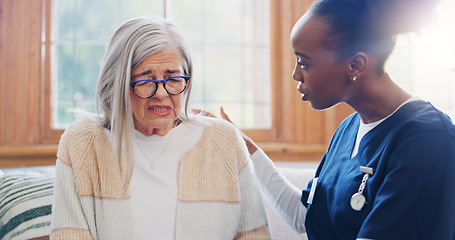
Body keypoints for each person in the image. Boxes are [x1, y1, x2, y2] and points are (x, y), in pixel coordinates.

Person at [207, 0, 455, 239]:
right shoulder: (348, 129)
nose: (295, 74)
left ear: (355, 65)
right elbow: (303, 216)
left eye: (304, 62)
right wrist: (242, 146)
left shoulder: (427, 140)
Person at [50, 16, 271, 240]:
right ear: (117, 83)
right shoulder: (83, 142)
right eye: (145, 81)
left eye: (173, 78)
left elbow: (255, 235)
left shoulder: (224, 140)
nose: (162, 93)